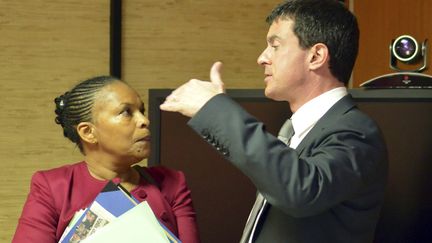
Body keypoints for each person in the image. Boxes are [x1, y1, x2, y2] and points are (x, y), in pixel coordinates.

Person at [159, 0, 388, 242]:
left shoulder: (357, 131)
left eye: (275, 45)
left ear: (316, 56)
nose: (262, 58)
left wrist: (215, 110)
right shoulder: (293, 129)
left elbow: (300, 189)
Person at [13, 76, 200, 243]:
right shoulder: (52, 186)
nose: (144, 120)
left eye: (141, 111)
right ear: (88, 132)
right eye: (127, 112)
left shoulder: (172, 182)